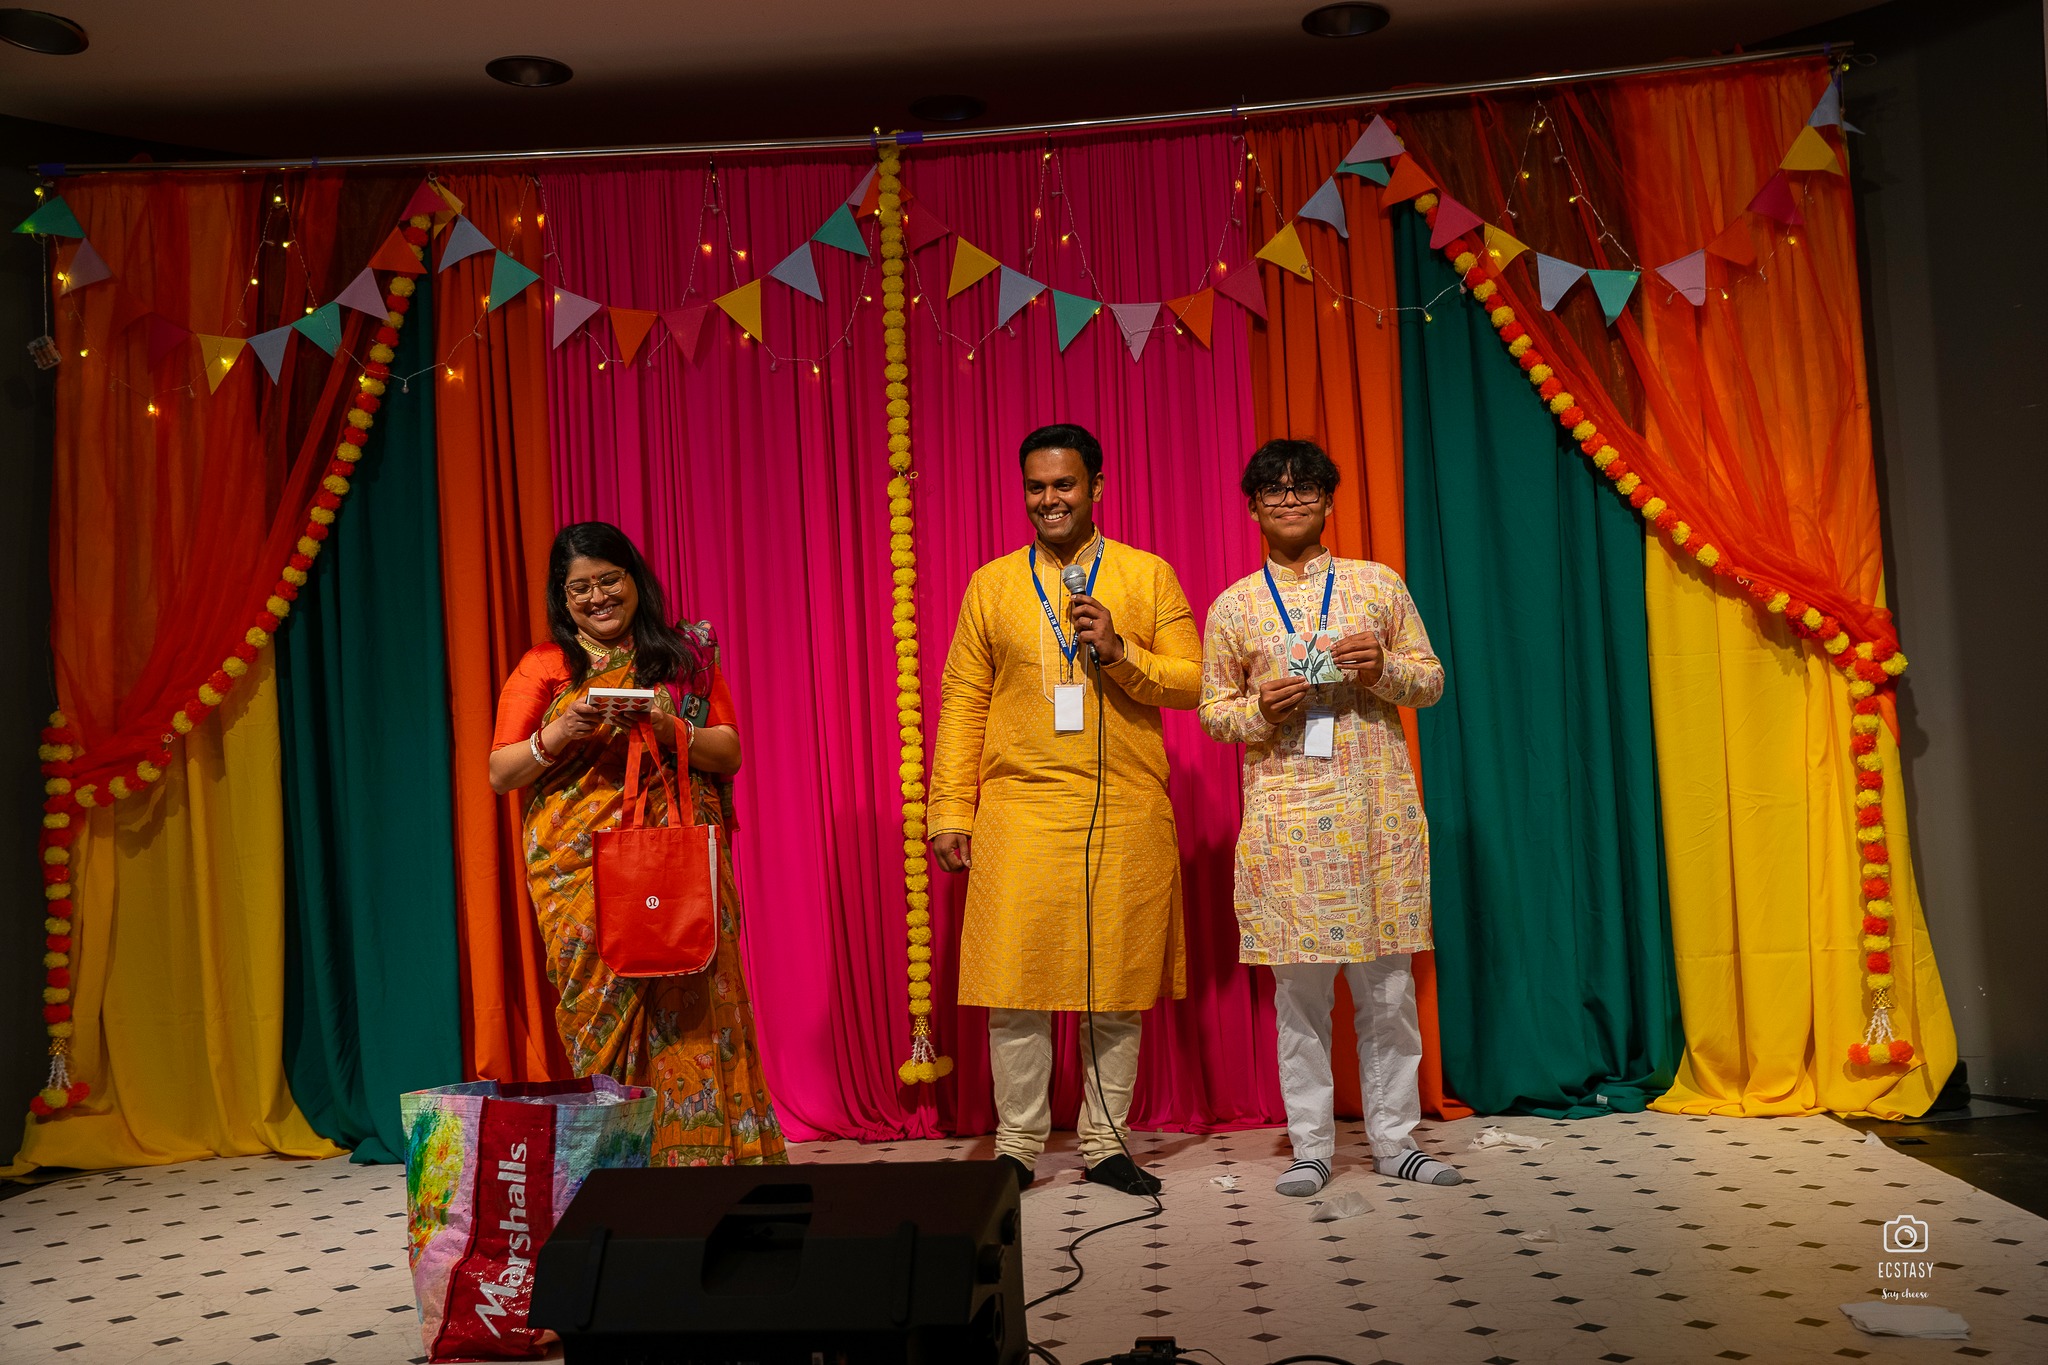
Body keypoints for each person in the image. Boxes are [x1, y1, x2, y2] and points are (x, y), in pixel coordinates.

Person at [928, 423, 1202, 1196]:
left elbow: (1193, 681)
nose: (1050, 499)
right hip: (1019, 808)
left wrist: (1120, 652)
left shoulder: (1147, 575)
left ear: (1097, 487)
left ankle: (1106, 1143)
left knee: (1113, 986)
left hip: (1125, 808)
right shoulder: (991, 585)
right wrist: (950, 809)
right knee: (1015, 984)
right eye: (1037, 486)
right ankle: (1016, 1145)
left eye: (1065, 484)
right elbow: (963, 699)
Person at [1197, 439, 1460, 1194]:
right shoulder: (1234, 606)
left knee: (1389, 993)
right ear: (1253, 507)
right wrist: (1260, 710)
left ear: (1328, 501)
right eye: (1273, 490)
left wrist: (1383, 670)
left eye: (1303, 487)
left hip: (1377, 818)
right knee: (1301, 999)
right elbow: (1213, 711)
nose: (1289, 499)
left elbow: (1432, 680)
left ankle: (1396, 1141)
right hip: (1287, 823)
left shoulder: (1378, 585)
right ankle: (1311, 1147)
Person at [489, 521, 786, 1168]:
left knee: (694, 1002)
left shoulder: (683, 659)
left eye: (609, 580)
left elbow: (729, 752)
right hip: (578, 870)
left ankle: (705, 1166)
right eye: (579, 588)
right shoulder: (545, 666)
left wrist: (665, 723)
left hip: (677, 864)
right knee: (595, 1013)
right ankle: (617, 1169)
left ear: (634, 579)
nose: (597, 597)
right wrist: (562, 729)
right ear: (562, 598)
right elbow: (501, 771)